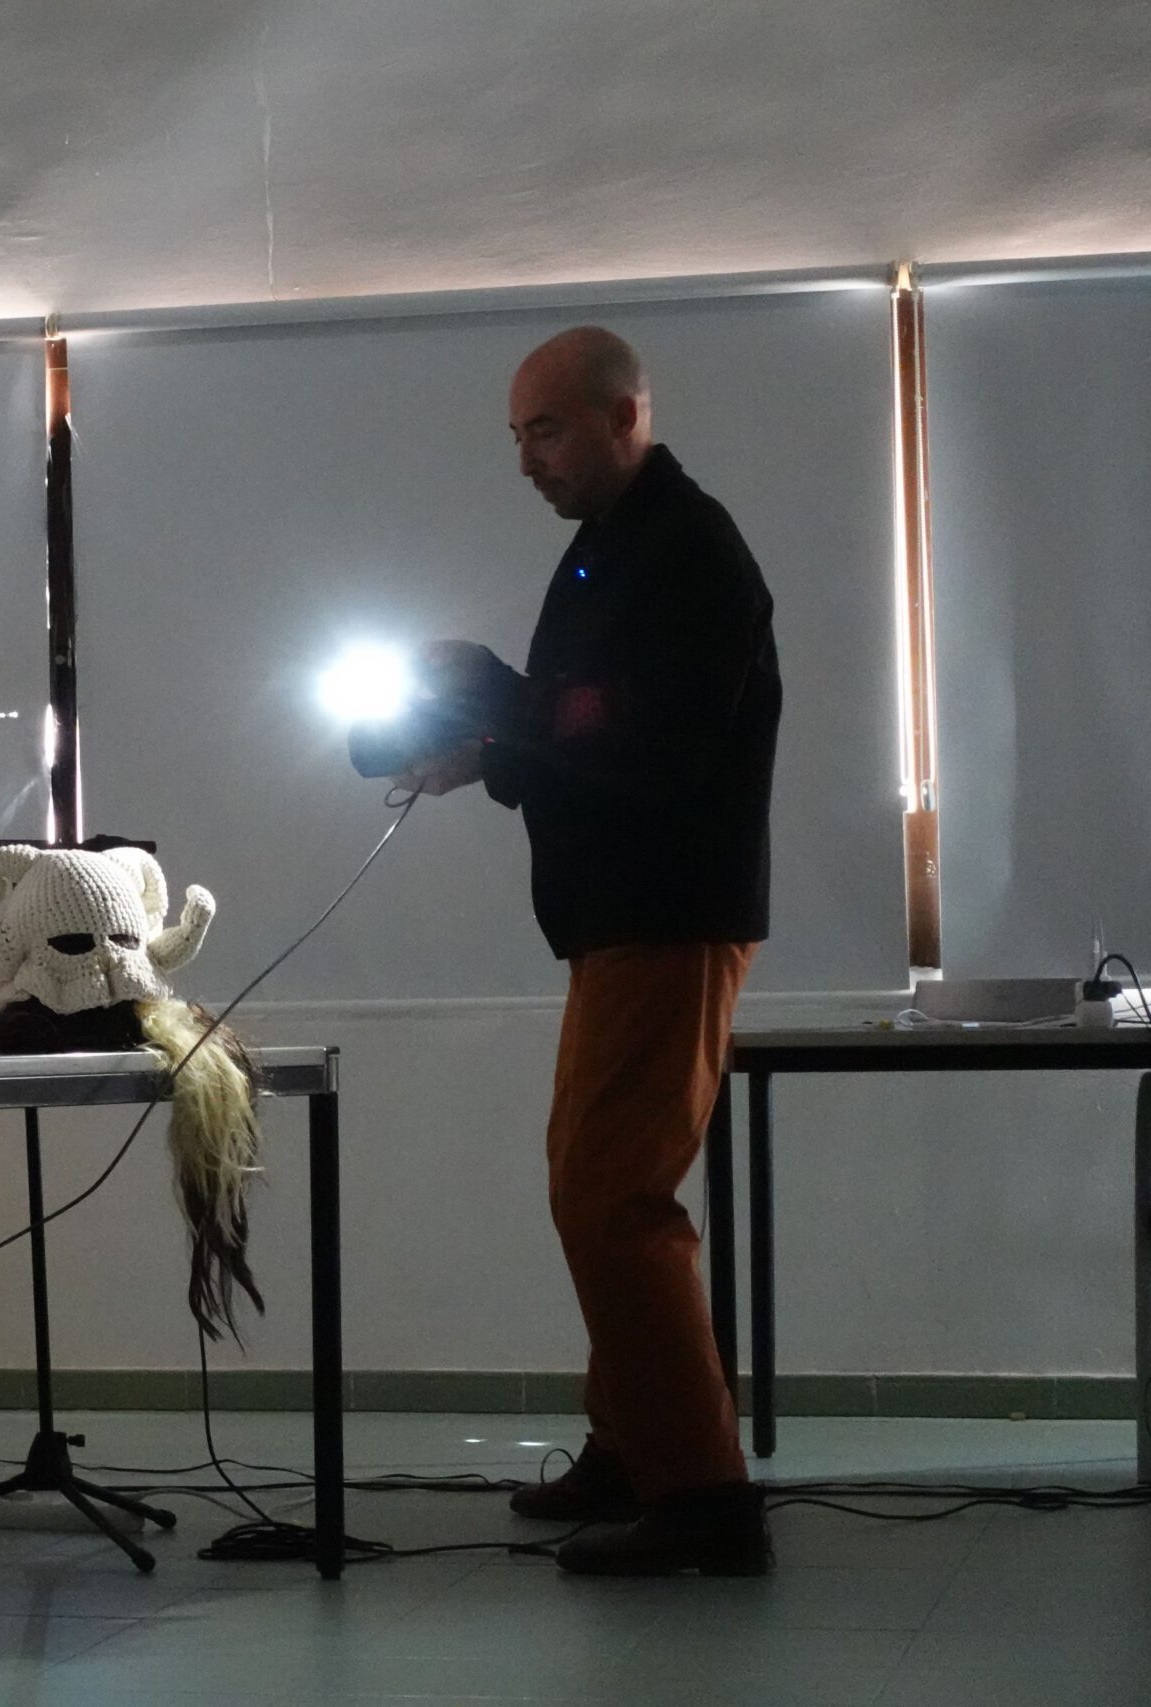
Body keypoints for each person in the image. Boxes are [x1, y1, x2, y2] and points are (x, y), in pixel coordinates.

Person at [403, 327, 782, 1576]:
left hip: (667, 915)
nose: (527, 461)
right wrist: (491, 707)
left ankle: (702, 1501)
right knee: (595, 1183)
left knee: (612, 1201)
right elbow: (585, 720)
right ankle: (628, 1450)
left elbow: (657, 751)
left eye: (547, 430)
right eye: (516, 436)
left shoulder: (687, 552)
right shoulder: (609, 550)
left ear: (625, 416)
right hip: (618, 921)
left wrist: (496, 738)